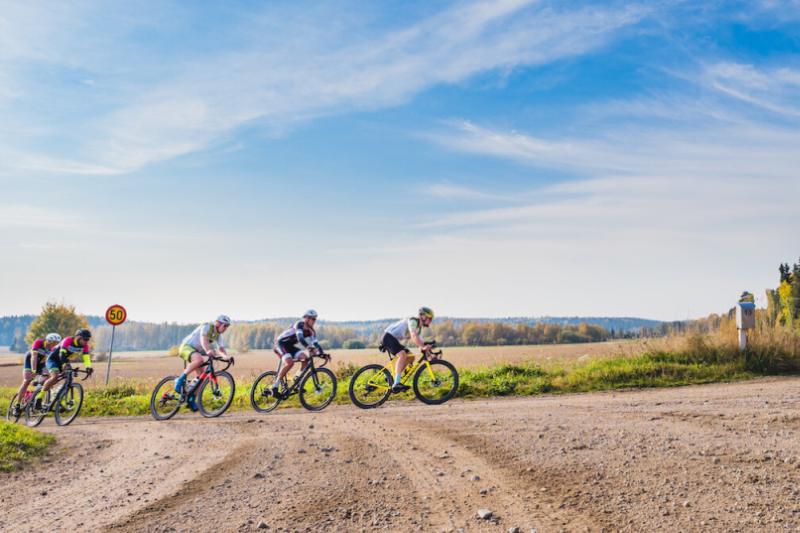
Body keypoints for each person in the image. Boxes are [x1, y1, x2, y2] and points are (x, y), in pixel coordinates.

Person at [175, 315, 233, 411]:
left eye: (228, 326)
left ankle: (191, 399)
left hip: (195, 351)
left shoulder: (219, 335)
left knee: (202, 377)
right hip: (186, 347)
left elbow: (221, 349)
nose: (226, 328)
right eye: (225, 326)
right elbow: (203, 338)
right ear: (218, 323)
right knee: (200, 360)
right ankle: (179, 380)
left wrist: (226, 357)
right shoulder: (207, 326)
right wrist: (207, 350)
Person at [271, 310, 328, 394]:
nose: (314, 321)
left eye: (315, 319)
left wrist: (323, 354)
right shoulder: (299, 325)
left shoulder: (311, 331)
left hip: (290, 346)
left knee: (305, 359)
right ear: (306, 319)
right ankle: (274, 386)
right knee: (290, 363)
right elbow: (300, 337)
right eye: (313, 319)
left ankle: (296, 381)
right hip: (280, 343)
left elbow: (316, 344)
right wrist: (308, 347)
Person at [380, 307, 434, 393]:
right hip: (388, 337)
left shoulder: (419, 329)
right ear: (423, 316)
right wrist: (423, 347)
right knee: (402, 355)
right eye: (430, 318)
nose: (431, 321)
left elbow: (421, 344)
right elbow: (413, 335)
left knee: (411, 357)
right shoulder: (413, 321)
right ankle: (397, 383)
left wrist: (429, 356)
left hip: (394, 340)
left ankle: (392, 377)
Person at [37, 329, 94, 409]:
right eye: (85, 339)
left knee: (69, 380)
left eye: (88, 339)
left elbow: (86, 358)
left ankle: (58, 402)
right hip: (53, 359)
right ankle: (39, 398)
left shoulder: (85, 346)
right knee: (55, 376)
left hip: (64, 361)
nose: (86, 341)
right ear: (78, 337)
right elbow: (62, 353)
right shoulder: (68, 340)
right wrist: (64, 364)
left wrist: (88, 367)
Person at [12, 333, 61, 417]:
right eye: (54, 343)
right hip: (30, 361)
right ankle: (17, 405)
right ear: (48, 341)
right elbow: (33, 357)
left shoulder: (54, 349)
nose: (55, 345)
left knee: (47, 378)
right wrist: (34, 370)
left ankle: (35, 393)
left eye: (57, 343)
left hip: (42, 364)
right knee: (27, 380)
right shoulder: (39, 343)